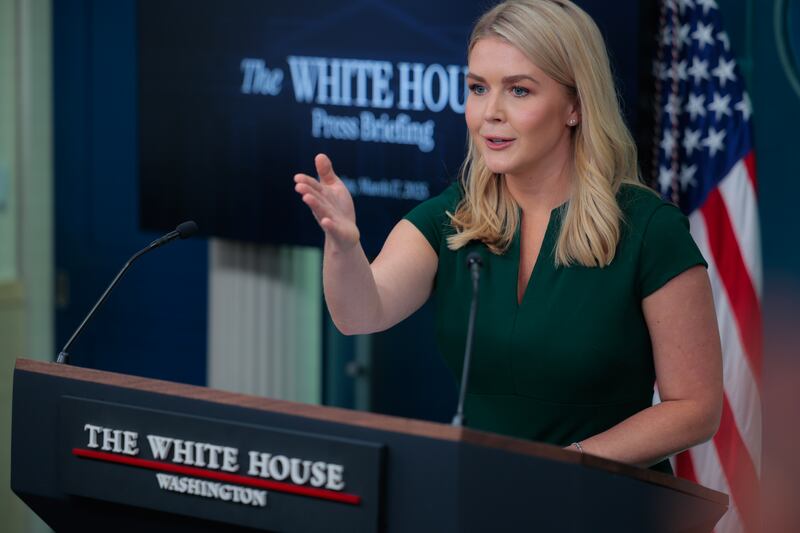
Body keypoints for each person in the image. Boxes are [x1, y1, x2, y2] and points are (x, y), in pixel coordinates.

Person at [293, 0, 722, 473]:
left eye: (519, 90)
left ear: (575, 106)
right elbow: (360, 314)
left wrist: (563, 466)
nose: (489, 113)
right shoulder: (451, 218)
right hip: (482, 499)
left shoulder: (650, 229)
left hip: (608, 504)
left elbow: (695, 408)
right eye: (478, 88)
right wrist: (344, 246)